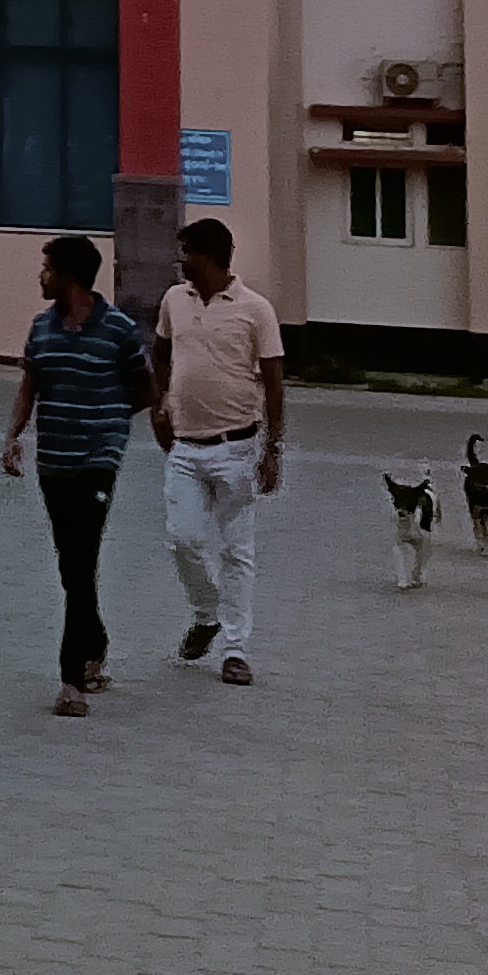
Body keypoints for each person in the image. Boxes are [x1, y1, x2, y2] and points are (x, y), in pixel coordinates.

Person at [0, 231, 153, 714]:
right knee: (72, 565)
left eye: (46, 269)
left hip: (97, 461)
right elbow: (30, 386)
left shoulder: (120, 329)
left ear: (68, 275)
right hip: (54, 461)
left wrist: (108, 421)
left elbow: (145, 390)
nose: (40, 277)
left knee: (82, 559)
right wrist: (14, 436)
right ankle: (96, 640)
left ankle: (71, 681)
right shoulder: (41, 328)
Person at [154, 215, 291, 685]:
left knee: (238, 551)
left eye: (187, 251)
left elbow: (274, 381)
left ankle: (234, 649)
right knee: (182, 538)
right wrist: (160, 406)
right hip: (186, 449)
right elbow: (160, 352)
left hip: (238, 447)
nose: (180, 260)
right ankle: (206, 613)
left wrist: (273, 448)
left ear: (209, 256)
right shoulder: (175, 299)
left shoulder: (256, 310)